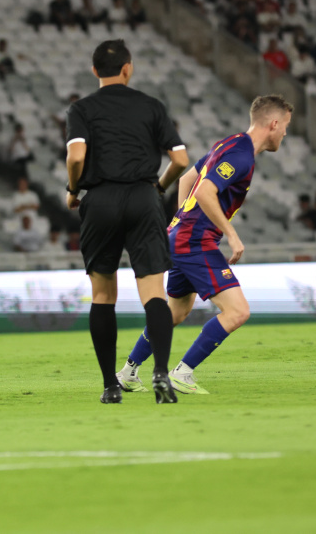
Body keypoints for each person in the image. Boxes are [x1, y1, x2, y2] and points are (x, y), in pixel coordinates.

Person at [117, 95, 293, 396]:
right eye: (286, 126)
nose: (286, 133)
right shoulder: (242, 155)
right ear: (273, 124)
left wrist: (181, 219)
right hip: (195, 241)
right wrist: (231, 234)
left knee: (176, 312)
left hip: (183, 236)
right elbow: (206, 192)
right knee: (237, 311)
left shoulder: (230, 143)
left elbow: (188, 180)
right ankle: (182, 373)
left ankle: (127, 373)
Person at [65, 40, 188, 404]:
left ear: (94, 71)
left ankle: (110, 386)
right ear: (128, 68)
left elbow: (76, 156)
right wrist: (159, 188)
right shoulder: (151, 106)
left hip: (99, 200)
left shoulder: (82, 108)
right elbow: (180, 159)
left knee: (103, 295)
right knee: (154, 293)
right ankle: (161, 375)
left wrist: (73, 190)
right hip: (143, 197)